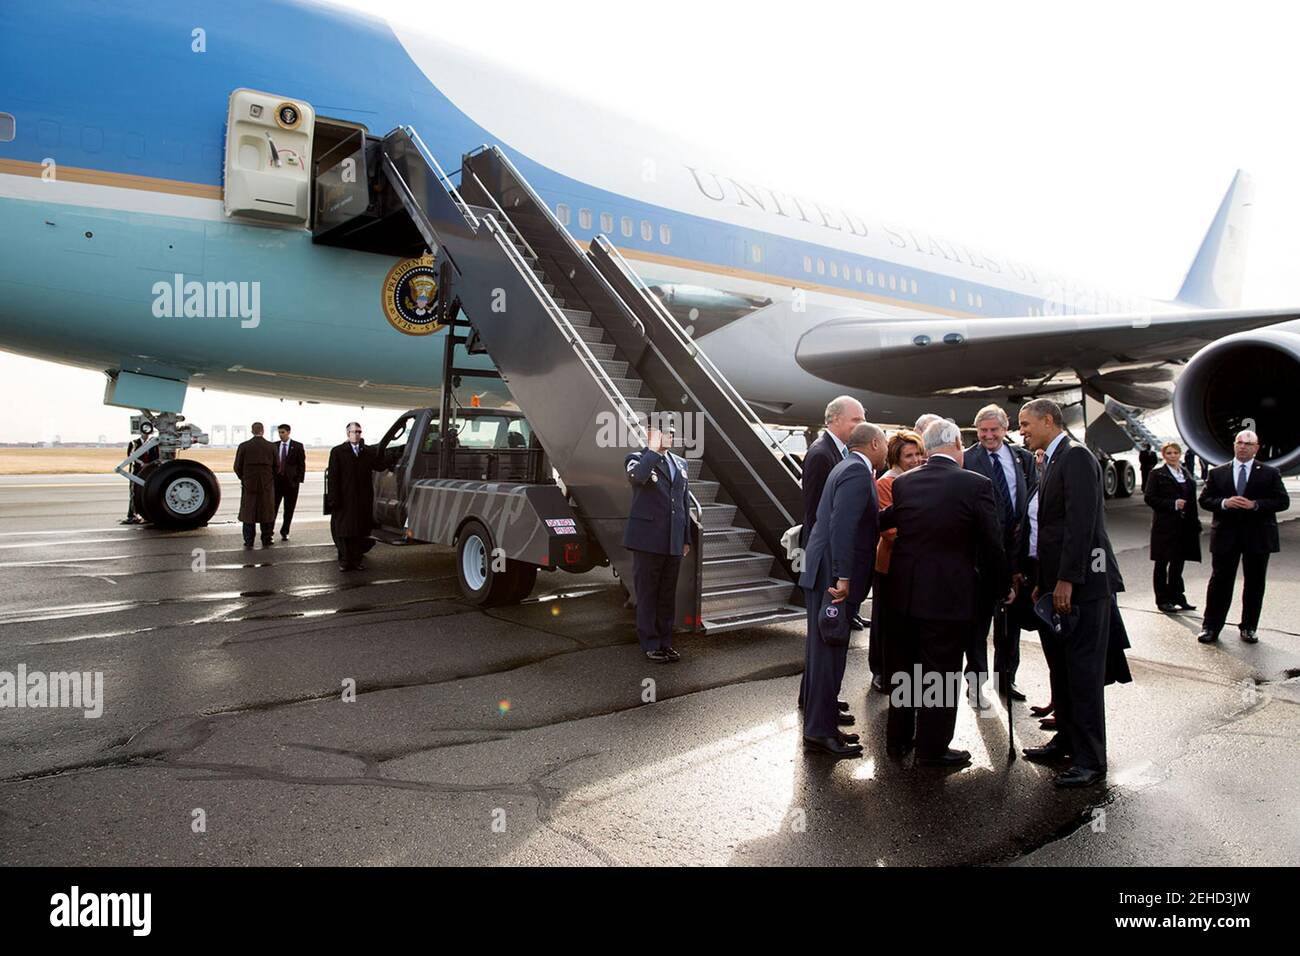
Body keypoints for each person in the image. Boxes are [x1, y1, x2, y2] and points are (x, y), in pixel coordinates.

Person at [879, 419, 1007, 767]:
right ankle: (932, 748)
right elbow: (992, 544)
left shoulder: (904, 483)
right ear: (955, 445)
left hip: (905, 594)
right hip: (947, 598)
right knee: (940, 672)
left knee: (906, 669)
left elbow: (890, 521)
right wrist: (1002, 587)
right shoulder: (975, 485)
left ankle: (899, 739)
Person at [1017, 399, 1124, 788]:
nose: (1022, 430)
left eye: (1026, 424)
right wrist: (1043, 585)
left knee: (1082, 676)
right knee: (1061, 671)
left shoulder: (1076, 457)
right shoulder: (1051, 458)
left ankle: (1091, 761)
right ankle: (1066, 742)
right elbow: (1048, 530)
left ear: (1049, 420)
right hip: (1056, 587)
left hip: (1082, 588)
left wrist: (1065, 581)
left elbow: (1082, 524)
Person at [798, 422, 887, 758]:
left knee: (827, 651)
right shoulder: (855, 472)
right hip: (831, 576)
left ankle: (824, 724)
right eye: (886, 443)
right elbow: (843, 525)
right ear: (875, 443)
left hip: (825, 571)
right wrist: (843, 576)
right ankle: (820, 732)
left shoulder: (846, 466)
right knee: (827, 653)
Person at [962, 403, 1037, 703]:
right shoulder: (967, 459)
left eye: (994, 430)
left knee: (1011, 625)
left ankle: (1007, 679)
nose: (989, 436)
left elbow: (1030, 498)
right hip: (981, 556)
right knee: (978, 625)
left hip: (1014, 555)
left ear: (1006, 430)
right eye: (983, 431)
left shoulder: (1023, 458)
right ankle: (975, 683)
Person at [797, 396, 867, 709]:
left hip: (827, 557)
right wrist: (830, 565)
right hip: (825, 559)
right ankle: (816, 703)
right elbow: (814, 515)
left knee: (822, 641)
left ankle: (817, 699)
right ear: (833, 420)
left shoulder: (838, 454)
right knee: (823, 639)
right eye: (856, 419)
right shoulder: (820, 455)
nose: (861, 424)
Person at [1197, 429, 1290, 644]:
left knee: (1255, 583)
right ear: (1234, 445)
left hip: (1257, 537)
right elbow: (1205, 500)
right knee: (1220, 583)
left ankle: (1249, 627)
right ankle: (1210, 627)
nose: (1243, 446)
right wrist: (1224, 503)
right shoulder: (1217, 472)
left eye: (1248, 444)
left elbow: (1282, 501)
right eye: (1239, 442)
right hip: (1226, 537)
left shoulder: (1270, 473)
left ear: (1256, 448)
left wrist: (1256, 505)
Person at [624, 422, 694, 663]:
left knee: (666, 595)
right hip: (647, 540)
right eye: (666, 432)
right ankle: (650, 643)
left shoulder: (680, 463)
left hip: (673, 541)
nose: (671, 436)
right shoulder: (636, 458)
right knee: (647, 594)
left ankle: (665, 642)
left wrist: (685, 538)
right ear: (651, 434)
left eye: (673, 433)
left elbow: (684, 504)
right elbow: (638, 478)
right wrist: (653, 451)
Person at [869, 429, 924, 693]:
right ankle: (879, 670)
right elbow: (888, 531)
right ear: (895, 457)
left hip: (911, 565)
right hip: (889, 564)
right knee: (884, 622)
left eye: (918, 454)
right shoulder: (886, 483)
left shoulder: (918, 480)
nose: (914, 460)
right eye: (908, 455)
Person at [1143, 441, 1201, 613]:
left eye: (1175, 453)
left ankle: (1177, 596)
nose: (1173, 456)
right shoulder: (1157, 474)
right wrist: (1172, 504)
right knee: (1162, 563)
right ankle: (1162, 599)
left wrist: (1195, 522)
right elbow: (1149, 498)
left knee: (1178, 563)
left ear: (1180, 454)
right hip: (1165, 526)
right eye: (1169, 453)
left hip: (1183, 526)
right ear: (1163, 455)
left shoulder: (1184, 472)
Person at [326, 421, 390, 571]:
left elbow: (379, 465)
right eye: (354, 432)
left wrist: (393, 457)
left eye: (359, 432)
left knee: (359, 531)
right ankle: (344, 560)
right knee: (344, 531)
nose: (356, 435)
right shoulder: (338, 452)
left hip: (362, 498)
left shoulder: (367, 452)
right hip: (344, 498)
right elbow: (333, 477)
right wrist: (333, 498)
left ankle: (356, 560)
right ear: (347, 434)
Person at [233, 422, 277, 548]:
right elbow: (277, 466)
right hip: (266, 485)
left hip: (249, 485)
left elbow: (237, 466)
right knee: (266, 513)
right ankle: (266, 539)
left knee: (248, 514)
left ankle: (249, 541)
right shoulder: (271, 447)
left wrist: (244, 478)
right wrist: (269, 479)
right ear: (263, 431)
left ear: (252, 431)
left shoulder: (244, 446)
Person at [272, 423, 307, 540]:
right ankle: (269, 531)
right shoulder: (274, 446)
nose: (281, 435)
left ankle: (285, 531)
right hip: (277, 483)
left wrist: (298, 480)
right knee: (273, 508)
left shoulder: (297, 446)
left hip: (291, 484)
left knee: (289, 509)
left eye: (283, 432)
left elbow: (301, 465)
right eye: (279, 432)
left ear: (288, 432)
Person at [119, 434, 159, 525]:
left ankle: (147, 515)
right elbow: (131, 456)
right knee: (133, 492)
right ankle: (132, 515)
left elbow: (157, 456)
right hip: (136, 470)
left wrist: (149, 464)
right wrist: (142, 463)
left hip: (149, 471)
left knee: (148, 493)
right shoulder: (134, 443)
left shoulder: (154, 444)